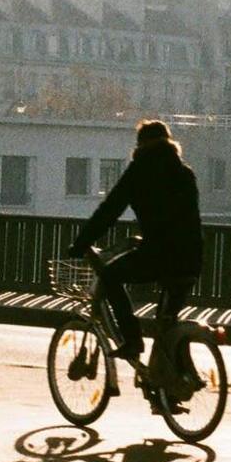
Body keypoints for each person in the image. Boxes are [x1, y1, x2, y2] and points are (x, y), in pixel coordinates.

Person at [66, 119, 203, 372]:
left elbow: (109, 211)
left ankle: (132, 339)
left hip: (159, 255)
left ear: (141, 145)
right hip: (191, 258)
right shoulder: (184, 173)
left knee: (109, 276)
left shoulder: (140, 171)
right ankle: (172, 386)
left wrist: (81, 243)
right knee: (167, 322)